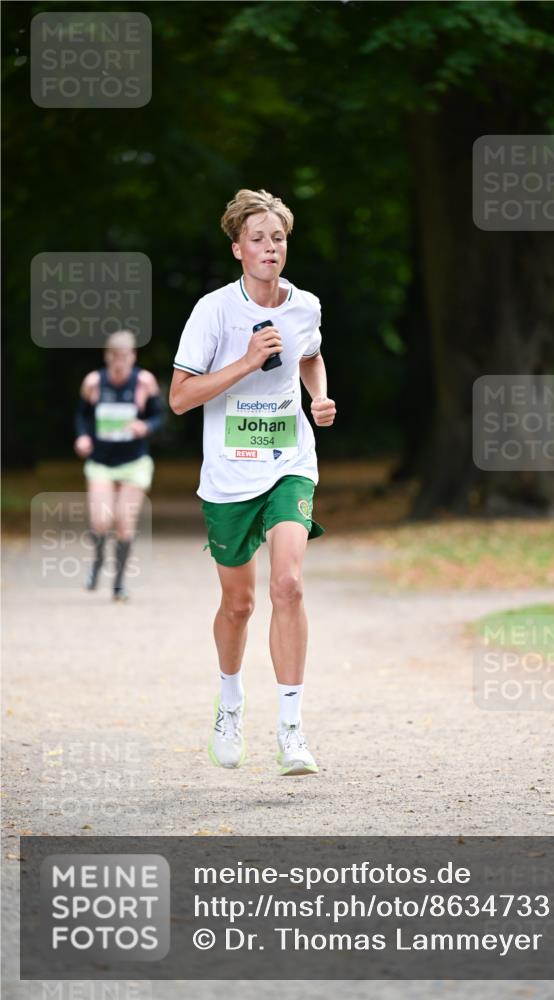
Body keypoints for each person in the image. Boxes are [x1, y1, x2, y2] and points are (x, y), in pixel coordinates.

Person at [169, 188, 336, 777]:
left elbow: (309, 355)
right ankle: (230, 704)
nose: (271, 248)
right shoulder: (213, 311)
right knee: (237, 603)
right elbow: (181, 398)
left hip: (289, 461)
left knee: (287, 585)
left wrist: (317, 396)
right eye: (259, 239)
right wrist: (242, 362)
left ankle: (291, 729)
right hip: (229, 475)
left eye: (279, 238)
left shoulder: (305, 306)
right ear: (238, 248)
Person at [74, 330, 164, 601]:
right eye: (115, 357)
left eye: (125, 357)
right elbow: (81, 416)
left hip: (134, 463)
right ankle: (98, 561)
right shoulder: (93, 382)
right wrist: (82, 437)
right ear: (107, 357)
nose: (120, 362)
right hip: (101, 461)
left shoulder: (144, 382)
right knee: (101, 520)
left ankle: (119, 582)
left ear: (133, 356)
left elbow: (160, 416)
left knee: (125, 522)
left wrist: (145, 426)